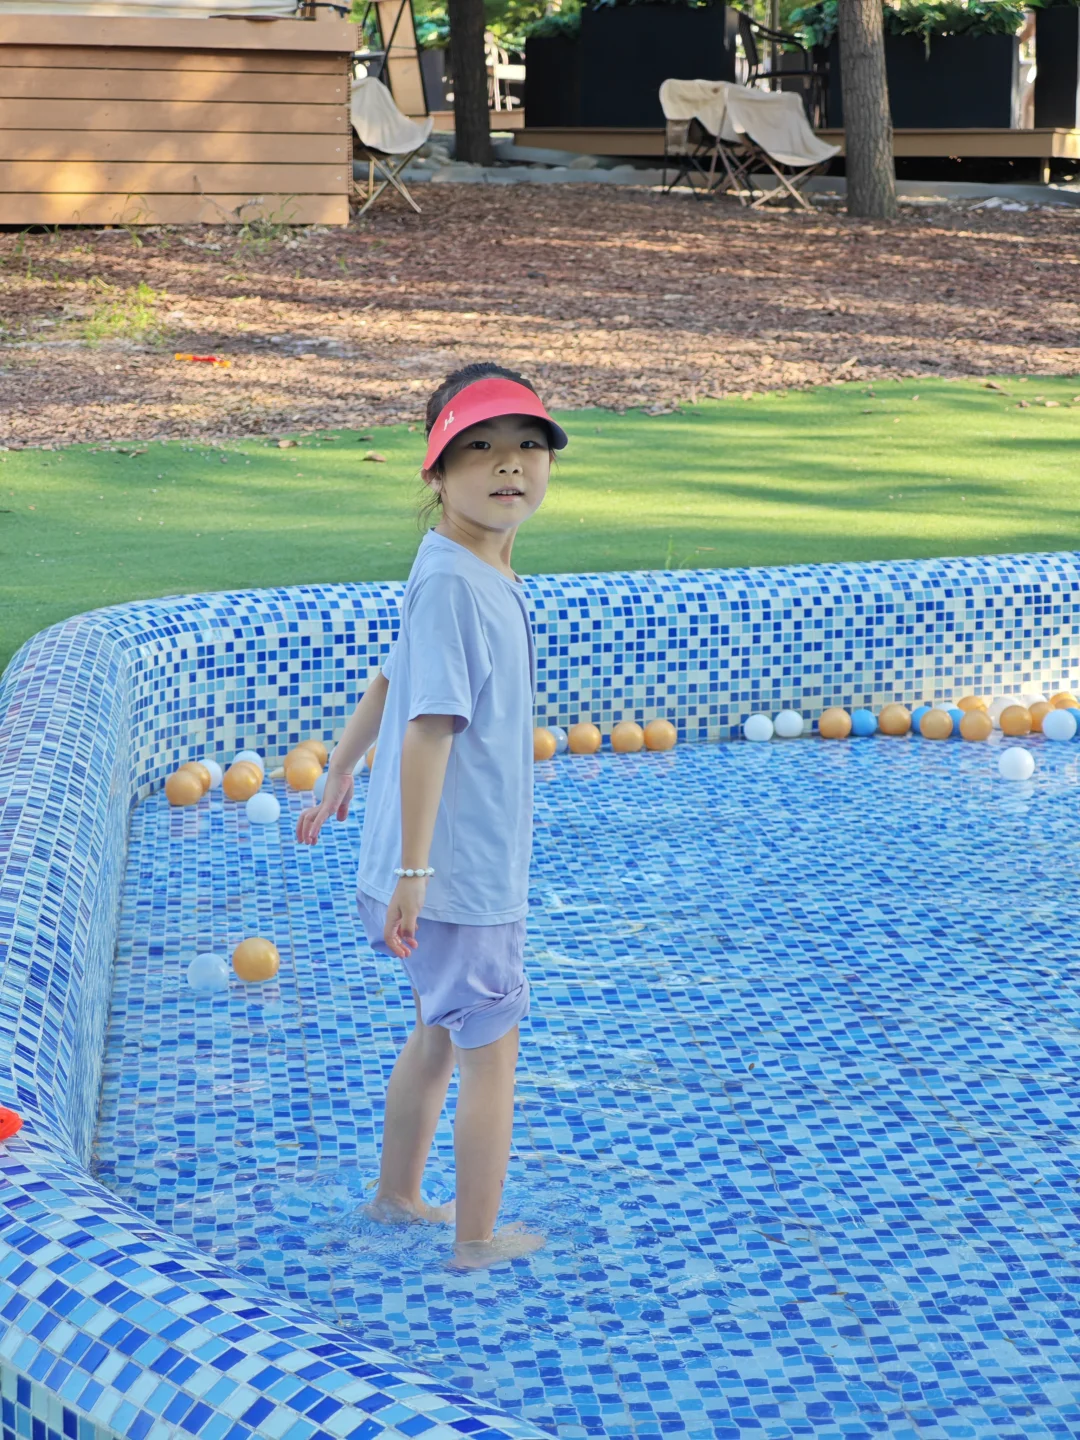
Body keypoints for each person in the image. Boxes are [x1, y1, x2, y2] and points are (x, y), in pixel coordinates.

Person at [296, 362, 567, 1271]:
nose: (509, 464)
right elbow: (428, 728)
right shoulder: (458, 581)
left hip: (419, 879)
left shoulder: (450, 562)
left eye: (527, 445)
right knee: (491, 1052)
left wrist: (340, 763)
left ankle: (397, 1194)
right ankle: (476, 1242)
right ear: (438, 472)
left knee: (437, 1030)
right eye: (479, 448)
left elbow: (391, 673)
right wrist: (418, 871)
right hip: (455, 883)